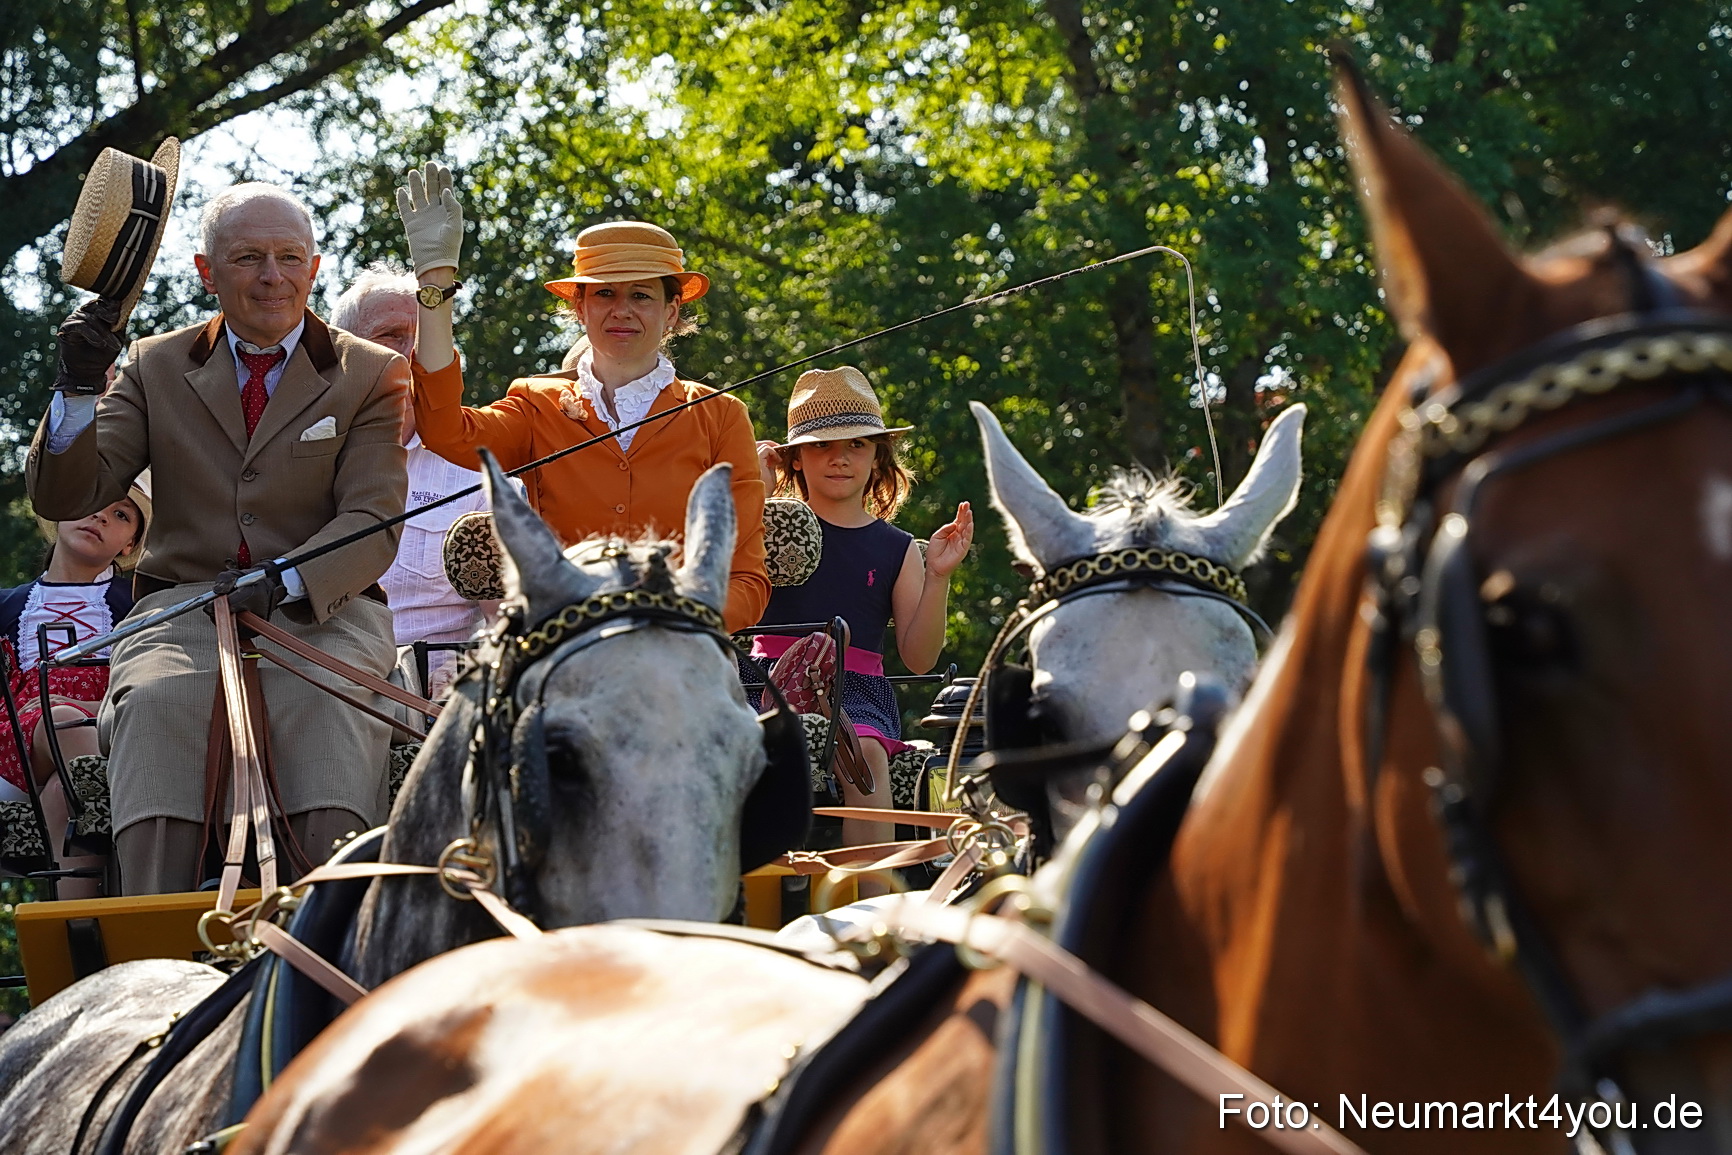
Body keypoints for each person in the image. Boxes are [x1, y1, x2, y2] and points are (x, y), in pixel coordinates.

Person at [27, 181, 409, 895]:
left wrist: (289, 576)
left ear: (315, 267)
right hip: (181, 611)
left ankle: (330, 933)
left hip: (324, 610)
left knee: (327, 703)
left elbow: (372, 518)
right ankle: (156, 947)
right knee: (158, 702)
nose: (272, 277)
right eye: (248, 258)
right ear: (207, 271)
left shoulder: (373, 372)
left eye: (290, 257)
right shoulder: (153, 363)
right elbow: (66, 494)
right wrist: (76, 390)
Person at [396, 161, 769, 631]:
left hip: (680, 653)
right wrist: (435, 282)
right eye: (605, 293)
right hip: (563, 647)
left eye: (641, 296)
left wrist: (671, 623)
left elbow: (746, 581)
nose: (621, 311)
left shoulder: (721, 416)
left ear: (672, 311)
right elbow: (444, 430)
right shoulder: (536, 402)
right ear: (579, 307)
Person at [753, 366, 973, 850]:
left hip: (856, 694)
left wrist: (938, 577)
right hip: (764, 679)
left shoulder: (896, 548)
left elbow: (919, 659)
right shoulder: (762, 526)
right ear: (794, 459)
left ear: (877, 456)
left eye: (856, 444)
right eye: (820, 445)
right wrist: (755, 497)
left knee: (868, 757)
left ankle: (869, 913)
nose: (839, 458)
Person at [331, 263, 501, 699]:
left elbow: (507, 619)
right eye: (391, 336)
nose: (410, 354)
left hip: (438, 702)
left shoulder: (479, 469)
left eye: (424, 341)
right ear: (342, 350)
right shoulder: (300, 456)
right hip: (323, 685)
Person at [0, 477, 150, 898]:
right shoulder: (7, 605)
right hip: (16, 742)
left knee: (61, 790)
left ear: (129, 544)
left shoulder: (139, 603)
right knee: (63, 720)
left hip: (105, 733)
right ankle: (106, 816)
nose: (101, 514)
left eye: (121, 514)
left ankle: (78, 931)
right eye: (90, 499)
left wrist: (87, 703)